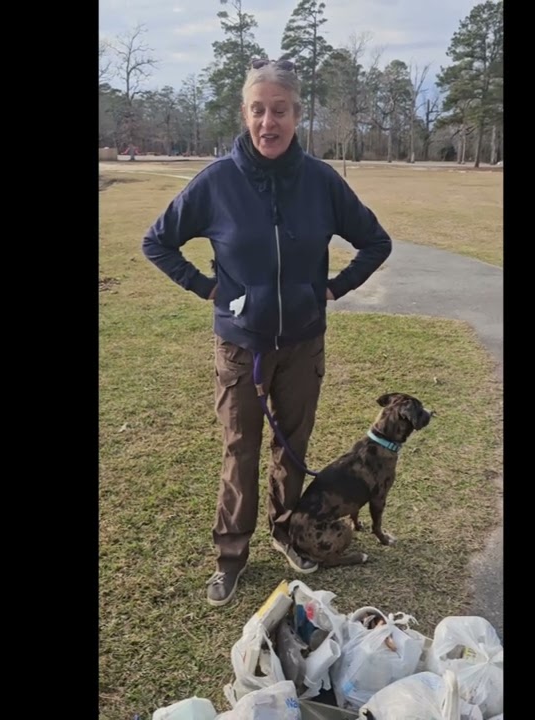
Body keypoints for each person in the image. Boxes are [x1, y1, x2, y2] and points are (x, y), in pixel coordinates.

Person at [141, 57, 393, 606]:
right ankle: (231, 557)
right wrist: (207, 288)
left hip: (302, 346)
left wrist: (333, 288)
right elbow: (157, 241)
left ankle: (288, 534)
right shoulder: (217, 183)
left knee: (290, 449)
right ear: (245, 113)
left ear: (297, 115)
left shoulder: (322, 181)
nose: (268, 122)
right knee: (241, 453)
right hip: (241, 349)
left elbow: (376, 241)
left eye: (279, 110)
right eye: (258, 110)